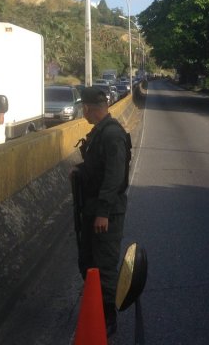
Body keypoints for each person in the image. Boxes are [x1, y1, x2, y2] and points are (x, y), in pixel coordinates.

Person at [71, 87, 132, 337]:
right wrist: (80, 170)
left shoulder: (112, 135)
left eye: (83, 109)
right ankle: (94, 308)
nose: (83, 113)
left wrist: (103, 212)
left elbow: (114, 176)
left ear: (87, 108)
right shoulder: (101, 132)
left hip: (105, 210)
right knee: (88, 262)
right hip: (93, 207)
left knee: (103, 266)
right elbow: (98, 167)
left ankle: (107, 318)